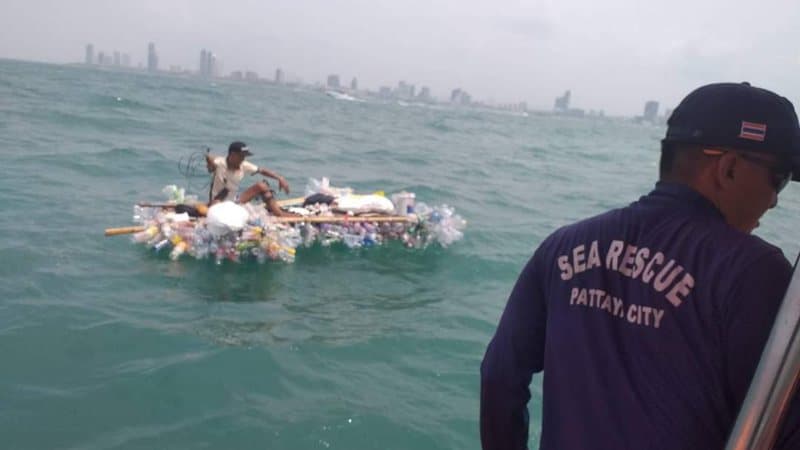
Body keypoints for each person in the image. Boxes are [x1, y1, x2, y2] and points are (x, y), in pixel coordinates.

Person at [480, 82, 800, 450]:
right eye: (780, 179)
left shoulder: (562, 245)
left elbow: (500, 376)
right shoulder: (754, 272)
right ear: (727, 169)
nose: (775, 200)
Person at [205, 141, 292, 216]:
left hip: (234, 201)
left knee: (261, 186)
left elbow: (262, 170)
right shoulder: (220, 163)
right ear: (232, 155)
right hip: (219, 202)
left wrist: (279, 178)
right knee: (214, 210)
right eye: (241, 156)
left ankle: (279, 213)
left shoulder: (243, 165)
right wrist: (209, 161)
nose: (243, 159)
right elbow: (211, 165)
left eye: (244, 156)